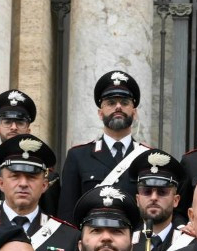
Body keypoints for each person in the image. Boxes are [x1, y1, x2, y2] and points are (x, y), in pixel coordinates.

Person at [58, 70, 152, 224]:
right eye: (111, 103)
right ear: (100, 113)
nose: (118, 107)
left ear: (134, 112)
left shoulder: (147, 157)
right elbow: (67, 214)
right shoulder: (78, 156)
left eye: (125, 103)